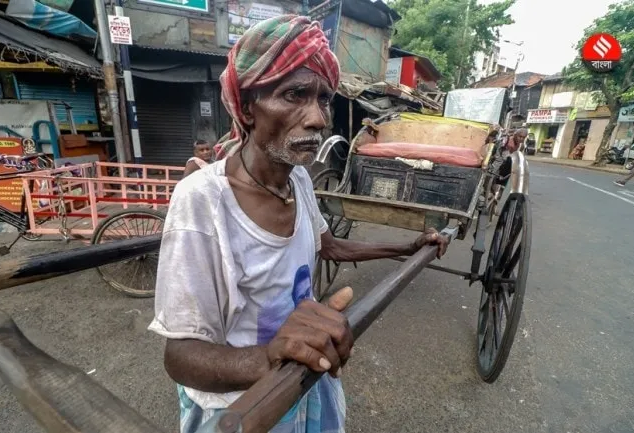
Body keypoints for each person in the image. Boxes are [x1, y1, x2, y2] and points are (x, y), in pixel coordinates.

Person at [148, 15, 450, 433]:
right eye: (294, 94)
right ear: (248, 107)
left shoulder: (299, 179)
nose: (318, 119)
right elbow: (179, 357)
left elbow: (331, 247)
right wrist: (271, 354)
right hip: (242, 409)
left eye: (324, 99)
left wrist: (405, 248)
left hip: (302, 381)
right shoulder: (202, 200)